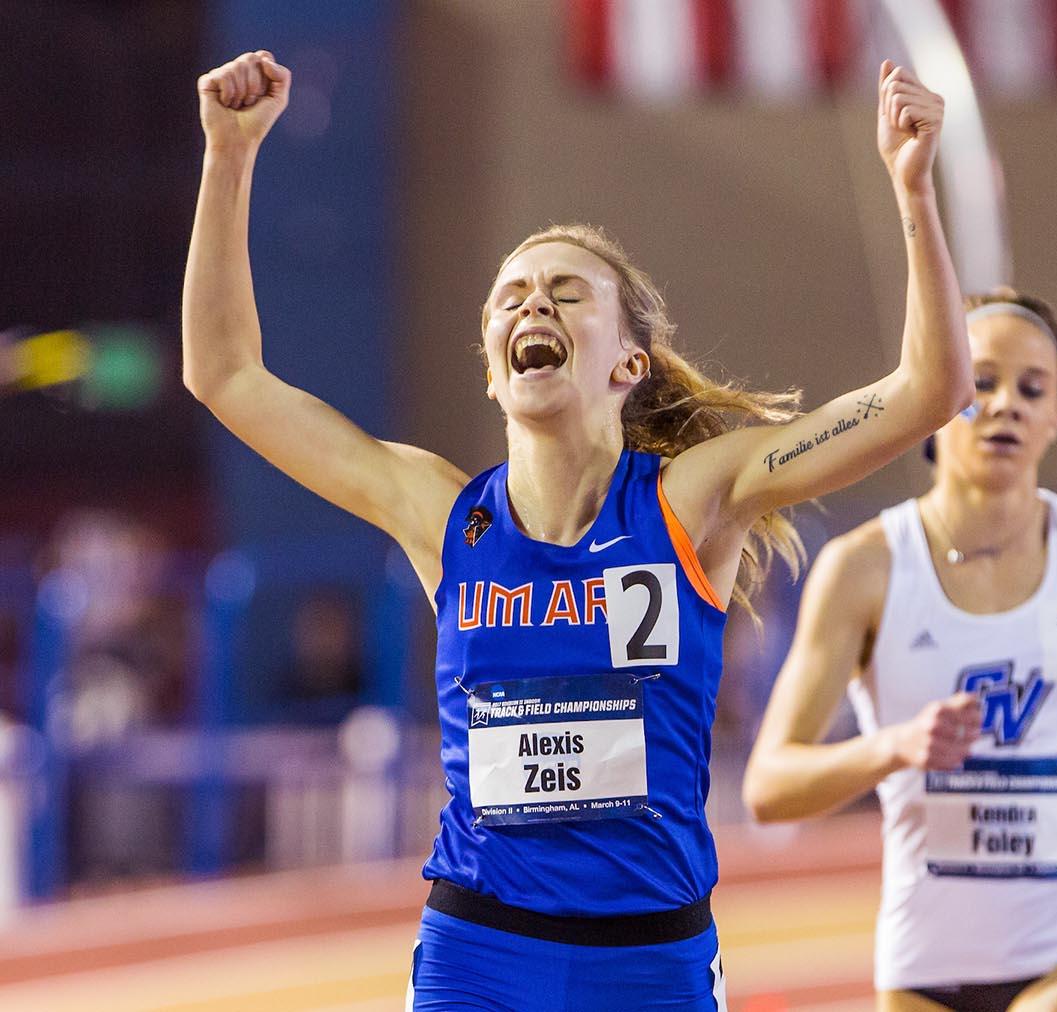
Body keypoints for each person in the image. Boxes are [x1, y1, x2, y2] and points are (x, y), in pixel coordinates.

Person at [184, 50, 972, 1012]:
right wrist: (228, 159)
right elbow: (225, 374)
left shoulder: (691, 502)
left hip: (649, 961)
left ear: (629, 362)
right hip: (478, 949)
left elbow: (928, 393)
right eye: (511, 296)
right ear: (491, 367)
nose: (533, 304)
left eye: (565, 290)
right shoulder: (442, 512)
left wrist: (912, 188)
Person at [742, 288, 1057, 1012]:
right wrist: (897, 747)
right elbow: (768, 787)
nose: (1006, 402)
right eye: (981, 382)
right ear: (936, 402)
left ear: (1055, 417)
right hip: (926, 959)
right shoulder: (866, 568)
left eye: (1031, 387)